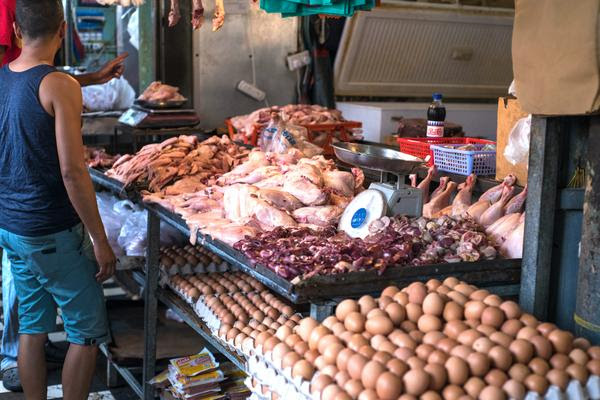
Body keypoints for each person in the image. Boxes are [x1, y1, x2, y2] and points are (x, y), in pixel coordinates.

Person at [0, 0, 127, 393]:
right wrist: (100, 240)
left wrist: (90, 79)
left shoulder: (4, 77)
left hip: (13, 227)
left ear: (17, 31)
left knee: (34, 327)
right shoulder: (60, 86)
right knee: (86, 331)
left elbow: (38, 86)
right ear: (61, 31)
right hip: (51, 230)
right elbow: (73, 172)